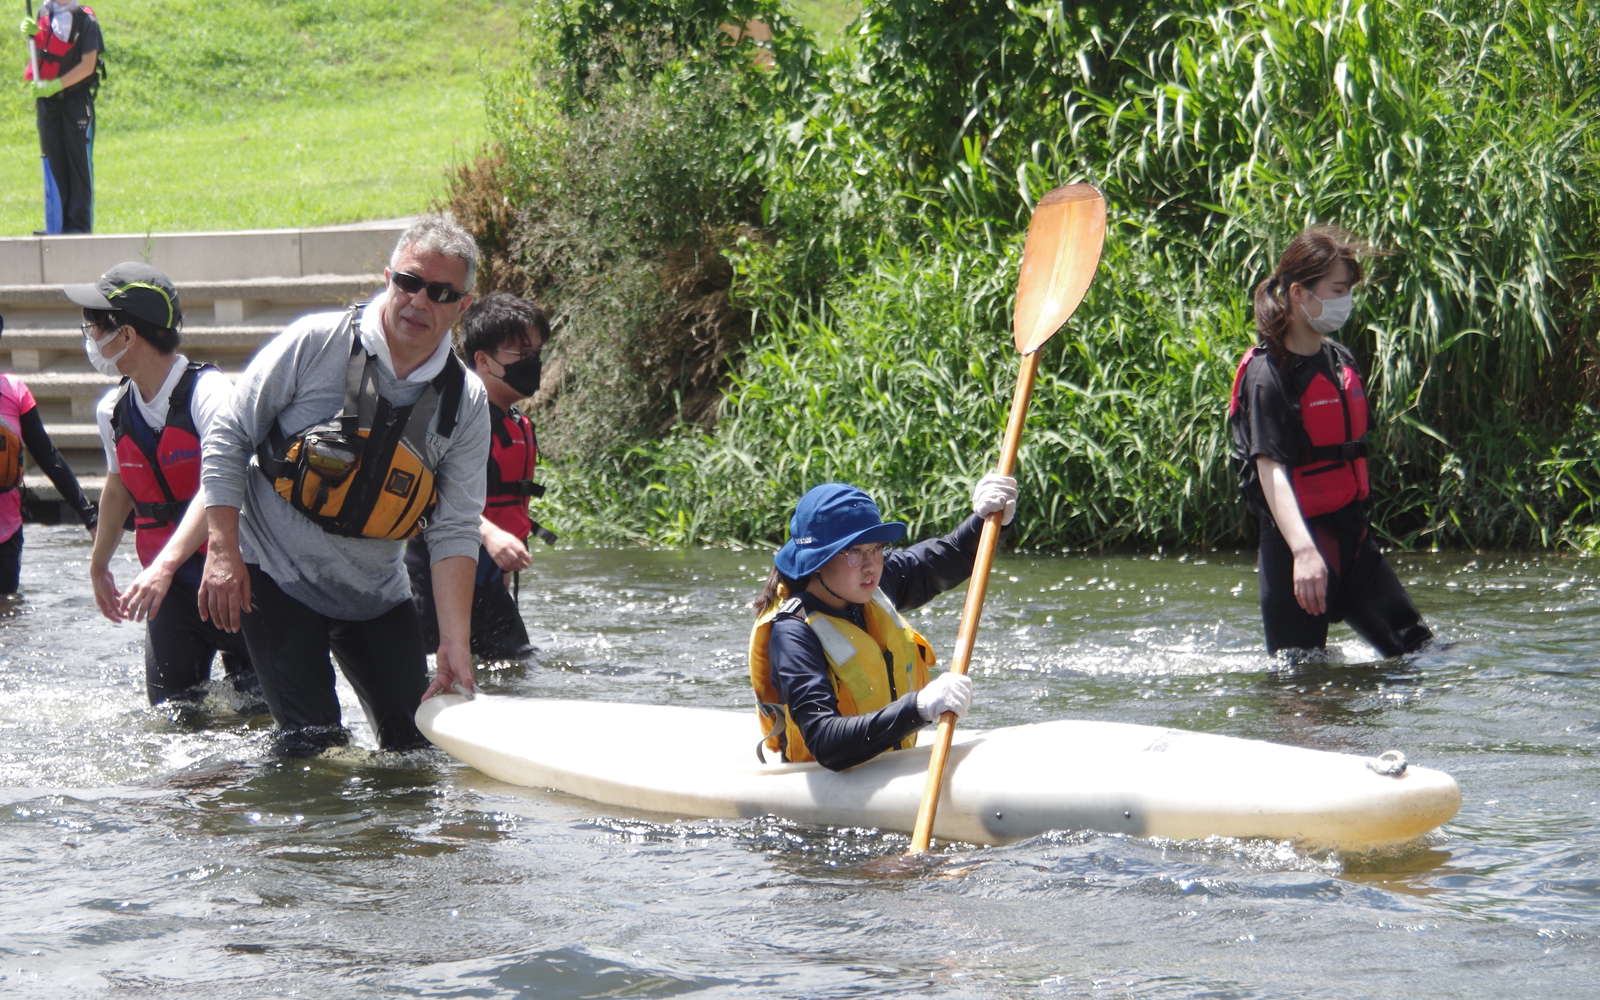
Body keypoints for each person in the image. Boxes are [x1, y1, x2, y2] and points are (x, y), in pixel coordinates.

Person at [197, 215, 491, 752]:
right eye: (409, 282)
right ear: (388, 279)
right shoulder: (316, 342)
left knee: (419, 750)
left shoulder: (466, 401)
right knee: (314, 747)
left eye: (441, 292)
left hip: (376, 594)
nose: (419, 302)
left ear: (463, 305)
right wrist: (222, 550)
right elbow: (228, 435)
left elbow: (454, 527)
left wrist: (454, 642)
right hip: (278, 576)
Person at [1228, 226, 1432, 660]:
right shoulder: (1269, 376)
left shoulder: (1340, 361)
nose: (1346, 301)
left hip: (1353, 541)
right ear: (1299, 293)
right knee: (1301, 683)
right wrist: (1304, 553)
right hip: (1295, 554)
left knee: (1421, 654)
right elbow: (1270, 468)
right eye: (1338, 289)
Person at [73, 263, 261, 708]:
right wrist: (98, 564)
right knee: (172, 726)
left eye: (95, 325)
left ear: (126, 334)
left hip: (238, 580)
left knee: (266, 722)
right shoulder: (113, 410)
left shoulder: (209, 393)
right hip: (174, 594)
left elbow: (221, 480)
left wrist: (161, 565)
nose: (89, 336)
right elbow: (120, 488)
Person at [748, 476, 1018, 771]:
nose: (871, 565)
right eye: (854, 552)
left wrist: (988, 520)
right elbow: (825, 741)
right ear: (817, 560)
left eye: (876, 548)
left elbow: (947, 557)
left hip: (886, 766)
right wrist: (918, 708)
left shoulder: (871, 584)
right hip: (825, 784)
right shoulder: (793, 634)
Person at [406, 292, 555, 661]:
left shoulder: (516, 422)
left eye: (536, 353)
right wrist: (491, 537)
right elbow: (428, 493)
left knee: (515, 671)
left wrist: (500, 565)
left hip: (488, 581)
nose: (533, 363)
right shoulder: (452, 418)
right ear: (483, 360)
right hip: (436, 579)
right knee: (425, 682)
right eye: (522, 355)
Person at [0, 315, 97, 591]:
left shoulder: (14, 391)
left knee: (8, 615)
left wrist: (88, 515)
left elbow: (48, 457)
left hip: (6, 531)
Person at [19, 1, 103, 233]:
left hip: (75, 101)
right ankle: (56, 225)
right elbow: (39, 54)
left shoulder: (87, 21)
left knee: (78, 164)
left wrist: (56, 85)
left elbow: (88, 65)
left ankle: (78, 228)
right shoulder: (44, 13)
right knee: (53, 159)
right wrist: (30, 37)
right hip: (48, 103)